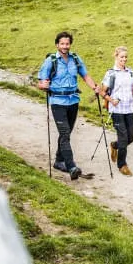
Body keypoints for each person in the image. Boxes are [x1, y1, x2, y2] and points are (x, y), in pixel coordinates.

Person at [37, 31, 101, 180]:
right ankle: (71, 166)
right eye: (62, 44)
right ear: (57, 45)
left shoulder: (75, 59)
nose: (65, 46)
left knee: (66, 133)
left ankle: (59, 161)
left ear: (70, 44)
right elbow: (40, 82)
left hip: (73, 101)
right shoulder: (50, 61)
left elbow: (85, 75)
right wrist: (43, 85)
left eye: (67, 43)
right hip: (58, 102)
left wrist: (94, 87)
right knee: (65, 133)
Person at [100, 46, 133, 176]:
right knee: (123, 137)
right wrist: (111, 100)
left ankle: (114, 146)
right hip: (116, 110)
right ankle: (122, 165)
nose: (124, 59)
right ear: (116, 56)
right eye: (122, 57)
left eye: (126, 57)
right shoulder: (111, 73)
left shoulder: (130, 72)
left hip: (130, 109)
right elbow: (102, 91)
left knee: (131, 137)